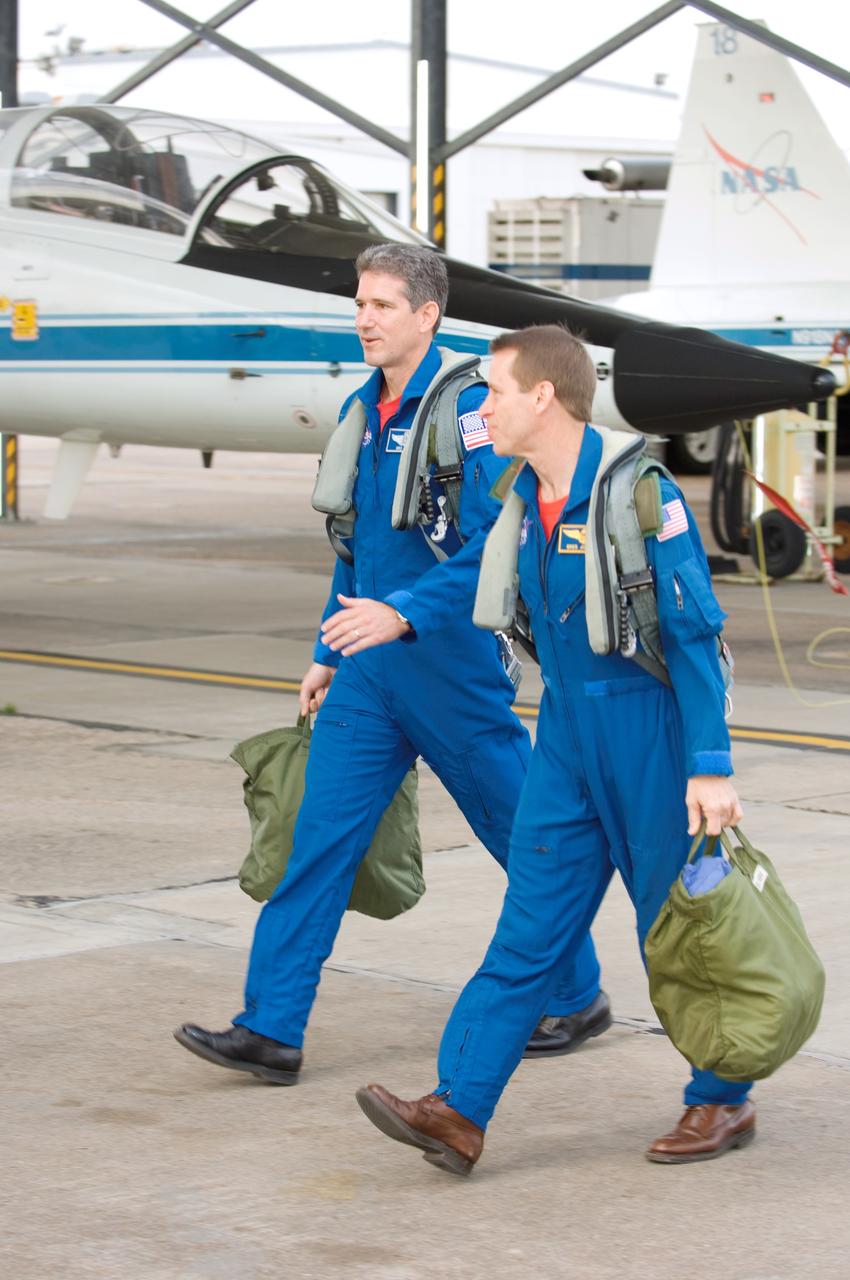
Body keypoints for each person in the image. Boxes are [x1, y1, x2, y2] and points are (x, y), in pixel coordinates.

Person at [174, 251, 609, 1085]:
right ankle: (271, 1029)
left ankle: (578, 991)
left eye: (383, 305)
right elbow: (357, 545)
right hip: (369, 668)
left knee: (520, 836)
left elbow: (500, 538)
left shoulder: (473, 413)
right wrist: (325, 650)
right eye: (361, 304)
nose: (366, 318)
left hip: (449, 667)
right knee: (317, 841)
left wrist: (406, 611)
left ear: (428, 316)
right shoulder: (361, 409)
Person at [356, 324, 753, 1174]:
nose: (481, 406)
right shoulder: (517, 492)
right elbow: (473, 571)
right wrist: (402, 609)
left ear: (543, 396)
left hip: (647, 733)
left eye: (495, 391)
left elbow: (692, 634)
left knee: (671, 931)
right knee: (529, 927)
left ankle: (721, 1098)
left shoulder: (642, 494)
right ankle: (458, 1109)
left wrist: (710, 765)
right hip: (567, 736)